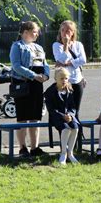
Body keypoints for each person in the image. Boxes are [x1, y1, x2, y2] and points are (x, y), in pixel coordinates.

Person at [10, 21, 50, 157]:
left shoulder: (39, 47)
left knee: (35, 117)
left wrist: (46, 75)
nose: (37, 34)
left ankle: (35, 147)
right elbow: (16, 66)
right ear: (25, 32)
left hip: (37, 84)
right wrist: (33, 75)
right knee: (22, 117)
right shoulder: (17, 46)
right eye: (34, 31)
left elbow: (45, 64)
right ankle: (23, 148)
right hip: (23, 83)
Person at [44, 68, 80, 165]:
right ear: (55, 78)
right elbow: (51, 109)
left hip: (68, 116)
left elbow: (73, 107)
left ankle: (70, 153)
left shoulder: (70, 90)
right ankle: (63, 154)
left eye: (66, 78)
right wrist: (63, 116)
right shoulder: (50, 92)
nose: (64, 80)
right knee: (66, 129)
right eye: (61, 78)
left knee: (75, 128)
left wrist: (71, 115)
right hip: (56, 117)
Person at [52, 20, 86, 118]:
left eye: (68, 30)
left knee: (76, 110)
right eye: (63, 30)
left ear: (73, 32)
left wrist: (69, 63)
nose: (65, 32)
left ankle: (78, 132)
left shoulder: (78, 45)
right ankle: (66, 131)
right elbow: (61, 59)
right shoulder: (56, 45)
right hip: (65, 81)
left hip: (77, 80)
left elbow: (83, 60)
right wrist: (66, 45)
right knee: (65, 110)